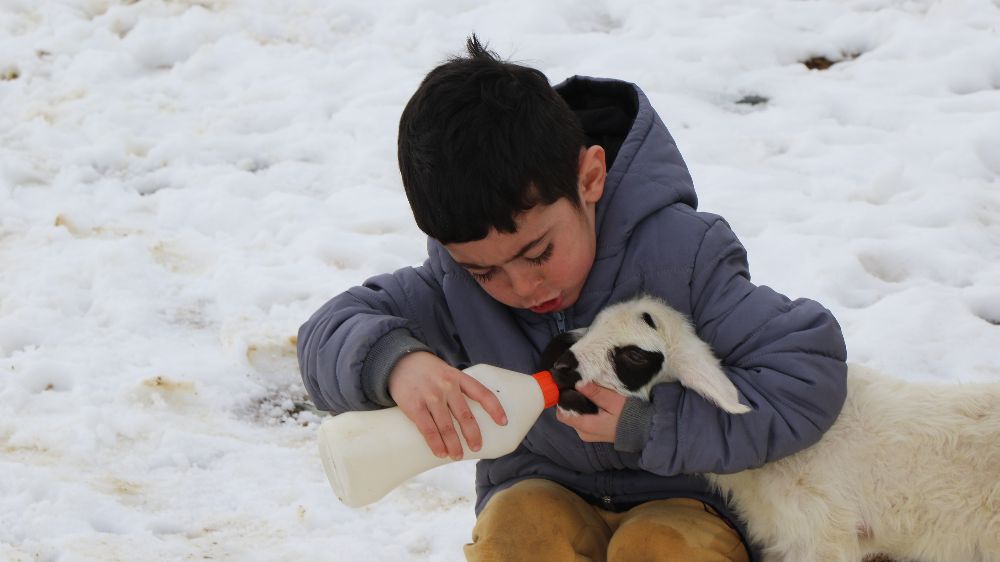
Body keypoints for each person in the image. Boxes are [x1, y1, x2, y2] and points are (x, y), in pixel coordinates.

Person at [297, 36, 848, 562]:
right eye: (485, 270)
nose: (522, 287)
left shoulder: (683, 259)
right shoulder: (452, 287)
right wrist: (399, 363)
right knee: (521, 538)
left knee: (660, 550)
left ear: (589, 177)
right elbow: (328, 332)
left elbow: (807, 376)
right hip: (542, 488)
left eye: (538, 252)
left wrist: (651, 425)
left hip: (690, 500)